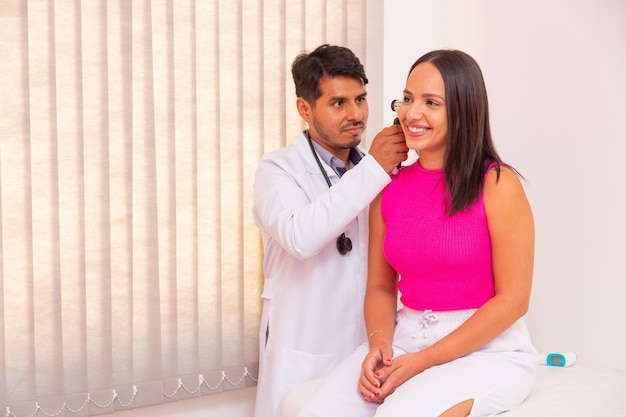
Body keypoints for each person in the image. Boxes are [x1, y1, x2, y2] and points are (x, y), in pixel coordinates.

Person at [295, 49, 538, 417]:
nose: (412, 113)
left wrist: (423, 361)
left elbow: (513, 300)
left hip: (487, 350)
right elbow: (380, 285)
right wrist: (379, 345)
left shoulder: (498, 183)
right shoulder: (387, 187)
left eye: (431, 102)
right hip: (407, 338)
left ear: (462, 110)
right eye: (407, 98)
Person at [251, 44, 409, 417]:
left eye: (361, 99)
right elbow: (300, 236)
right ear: (305, 109)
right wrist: (372, 170)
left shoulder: (380, 173)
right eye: (338, 103)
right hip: (305, 352)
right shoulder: (277, 171)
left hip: (370, 356)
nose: (356, 114)